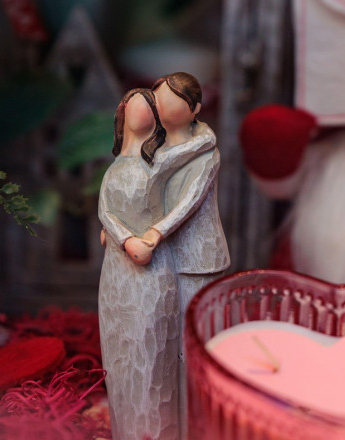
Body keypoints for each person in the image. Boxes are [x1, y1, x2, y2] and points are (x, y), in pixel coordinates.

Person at [97, 87, 216, 440]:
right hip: (117, 269)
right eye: (135, 102)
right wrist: (122, 237)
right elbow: (104, 209)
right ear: (122, 111)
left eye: (150, 105)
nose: (142, 108)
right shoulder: (115, 167)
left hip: (150, 268)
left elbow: (193, 154)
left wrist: (205, 135)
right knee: (119, 350)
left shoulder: (159, 163)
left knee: (150, 354)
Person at [146, 72, 230, 439]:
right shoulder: (152, 150)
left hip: (197, 258)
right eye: (156, 98)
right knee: (165, 345)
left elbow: (189, 202)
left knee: (191, 345)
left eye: (171, 99)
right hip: (160, 257)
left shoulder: (206, 153)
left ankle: (196, 426)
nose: (160, 105)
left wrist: (154, 232)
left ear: (194, 108)